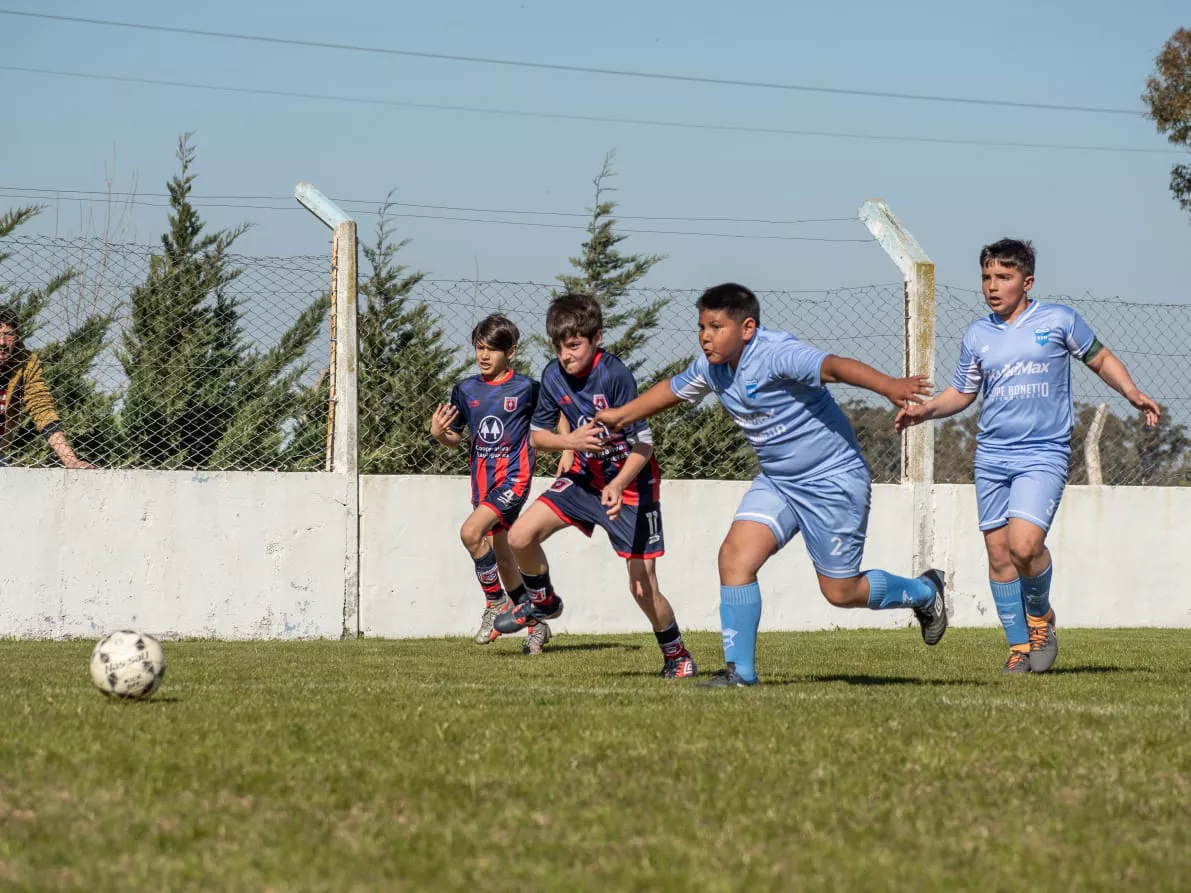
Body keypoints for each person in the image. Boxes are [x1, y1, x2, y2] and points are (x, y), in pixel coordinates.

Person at [595, 283, 945, 687]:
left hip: (832, 481)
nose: (706, 336)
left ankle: (924, 592)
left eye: (716, 326)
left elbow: (833, 366)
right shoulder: (711, 368)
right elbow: (672, 391)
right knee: (734, 559)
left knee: (841, 591)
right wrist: (620, 417)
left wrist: (889, 386)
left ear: (747, 328)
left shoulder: (775, 353)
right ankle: (739, 674)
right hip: (778, 482)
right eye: (701, 327)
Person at [896, 239, 1159, 673]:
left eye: (1004, 277)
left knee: (1025, 545)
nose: (992, 286)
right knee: (999, 556)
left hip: (1044, 453)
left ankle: (1041, 618)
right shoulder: (977, 335)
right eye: (986, 277)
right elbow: (963, 393)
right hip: (992, 456)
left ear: (1027, 281)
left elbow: (1099, 357)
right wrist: (924, 411)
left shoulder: (1058, 320)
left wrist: (1132, 393)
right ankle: (1018, 647)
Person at [494, 292, 697, 679]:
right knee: (519, 536)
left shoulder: (614, 375)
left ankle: (677, 657)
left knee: (642, 587)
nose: (566, 355)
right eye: (559, 347)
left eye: (574, 346)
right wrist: (570, 443)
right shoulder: (553, 375)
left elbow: (644, 442)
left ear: (597, 339)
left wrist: (620, 484)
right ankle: (544, 602)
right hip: (585, 478)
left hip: (632, 484)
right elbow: (538, 436)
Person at [428, 314, 551, 655]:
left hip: (514, 478)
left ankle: (495, 603)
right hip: (482, 482)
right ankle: (536, 622)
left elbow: (554, 418)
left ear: (510, 352)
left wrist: (569, 448)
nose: (483, 356)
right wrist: (440, 434)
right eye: (479, 348)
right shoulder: (465, 389)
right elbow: (455, 437)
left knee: (470, 533)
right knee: (505, 559)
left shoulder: (527, 388)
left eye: (492, 350)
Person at [0, 306, 94, 469]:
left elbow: (42, 409)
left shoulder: (25, 361)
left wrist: (71, 461)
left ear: (17, 336)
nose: (2, 342)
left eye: (8, 334)